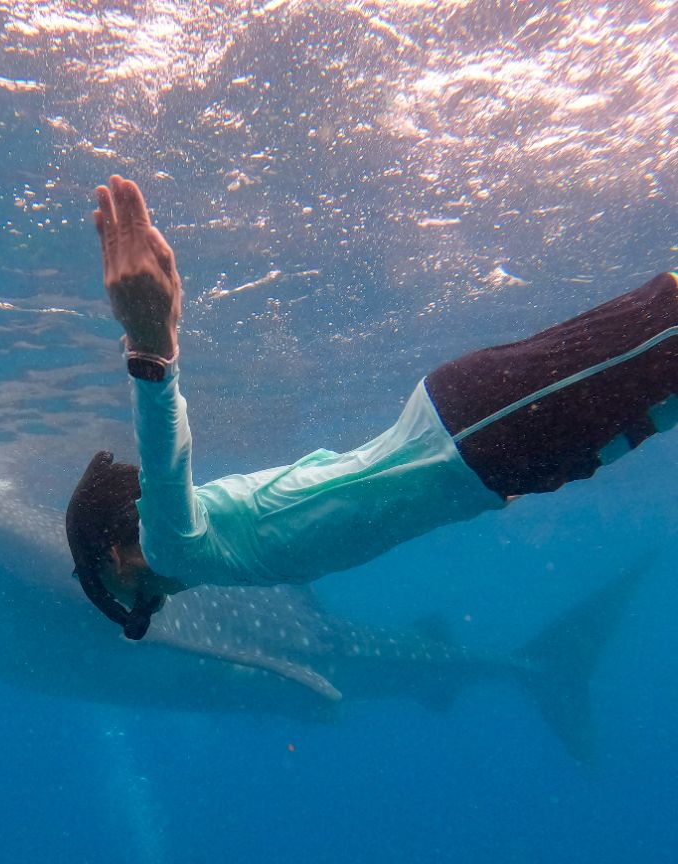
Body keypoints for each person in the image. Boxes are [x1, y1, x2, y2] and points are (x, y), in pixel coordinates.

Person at [67, 175, 678, 640]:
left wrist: (152, 347)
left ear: (119, 557)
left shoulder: (176, 545)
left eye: (120, 585)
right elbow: (344, 478)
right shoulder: (219, 531)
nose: (151, 596)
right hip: (486, 452)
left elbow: (166, 460)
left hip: (473, 437)